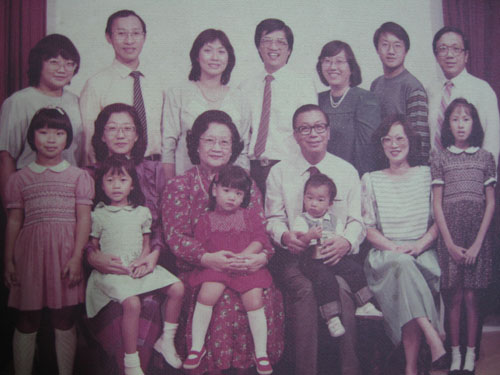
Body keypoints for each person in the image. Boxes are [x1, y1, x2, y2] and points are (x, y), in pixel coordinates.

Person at [162, 110, 284, 375]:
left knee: (261, 293)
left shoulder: (246, 183)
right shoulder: (180, 185)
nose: (217, 148)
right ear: (196, 144)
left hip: (246, 266)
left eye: (224, 142)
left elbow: (261, 233)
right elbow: (176, 237)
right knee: (221, 299)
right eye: (209, 141)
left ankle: (254, 364)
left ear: (233, 148)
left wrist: (260, 257)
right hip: (200, 268)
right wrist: (208, 258)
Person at [266, 104, 365, 375]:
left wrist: (346, 241)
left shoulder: (346, 171)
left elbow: (358, 220)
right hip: (294, 258)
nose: (313, 133)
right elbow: (272, 218)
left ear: (328, 132)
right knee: (307, 292)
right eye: (304, 128)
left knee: (344, 292)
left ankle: (349, 370)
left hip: (335, 257)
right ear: (296, 135)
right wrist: (285, 236)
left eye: (319, 126)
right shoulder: (280, 172)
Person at [3, 107, 93, 375]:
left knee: (64, 317)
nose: (51, 139)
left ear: (68, 138)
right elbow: (14, 221)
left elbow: (84, 220)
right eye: (43, 132)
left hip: (66, 255)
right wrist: (8, 260)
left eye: (59, 132)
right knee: (27, 318)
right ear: (32, 137)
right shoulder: (19, 178)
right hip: (29, 256)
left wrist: (77, 257)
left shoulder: (79, 177)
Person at [85, 103, 172, 373]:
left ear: (137, 136)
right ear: (101, 135)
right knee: (120, 309)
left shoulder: (154, 171)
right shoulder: (89, 173)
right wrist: (93, 256)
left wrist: (152, 255)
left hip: (146, 263)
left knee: (148, 304)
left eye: (127, 129)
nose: (120, 135)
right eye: (112, 128)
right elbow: (84, 226)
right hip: (108, 267)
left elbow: (160, 225)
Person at [361, 115, 446, 375]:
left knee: (407, 274)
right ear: (381, 144)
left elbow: (438, 221)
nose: (394, 144)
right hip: (386, 256)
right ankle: (434, 337)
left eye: (400, 138)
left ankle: (410, 368)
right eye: (388, 139)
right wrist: (393, 248)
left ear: (410, 141)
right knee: (402, 265)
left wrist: (420, 245)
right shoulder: (371, 179)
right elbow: (368, 228)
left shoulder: (427, 174)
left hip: (422, 253)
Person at [184, 165, 273, 375]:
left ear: (244, 197)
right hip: (220, 267)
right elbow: (201, 246)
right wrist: (217, 259)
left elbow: (260, 238)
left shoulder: (249, 215)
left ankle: (261, 353)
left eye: (238, 193)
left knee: (254, 298)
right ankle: (197, 347)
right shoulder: (206, 219)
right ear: (214, 190)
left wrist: (246, 255)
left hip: (245, 267)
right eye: (226, 190)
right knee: (207, 293)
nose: (231, 197)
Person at [431, 98, 496, 375]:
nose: (460, 124)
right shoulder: (440, 157)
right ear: (448, 125)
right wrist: (448, 243)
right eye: (455, 119)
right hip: (451, 238)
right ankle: (455, 354)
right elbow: (437, 204)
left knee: (472, 297)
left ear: (474, 123)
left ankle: (471, 353)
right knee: (454, 298)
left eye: (466, 118)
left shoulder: (485, 158)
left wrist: (478, 243)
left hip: (477, 237)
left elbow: (491, 203)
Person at [291, 173, 382, 338]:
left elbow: (339, 237)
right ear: (303, 198)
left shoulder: (334, 220)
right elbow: (300, 242)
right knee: (326, 280)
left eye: (320, 200)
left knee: (354, 269)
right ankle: (332, 318)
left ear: (330, 204)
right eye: (309, 198)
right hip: (311, 260)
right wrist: (309, 235)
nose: (313, 203)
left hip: (331, 255)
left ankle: (364, 303)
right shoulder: (302, 219)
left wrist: (337, 242)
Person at [0, 34, 83, 205]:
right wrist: (11, 205)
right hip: (30, 189)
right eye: (54, 62)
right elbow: (6, 157)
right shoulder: (19, 101)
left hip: (69, 189)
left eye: (69, 64)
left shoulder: (76, 101)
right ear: (39, 63)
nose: (62, 69)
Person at [239, 18, 317, 195]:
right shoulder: (245, 87)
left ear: (289, 50)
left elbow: (309, 132)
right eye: (266, 41)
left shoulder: (303, 84)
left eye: (280, 42)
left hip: (287, 167)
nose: (273, 47)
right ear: (259, 47)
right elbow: (242, 134)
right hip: (252, 169)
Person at [162, 29, 251, 179]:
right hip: (186, 182)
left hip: (228, 187)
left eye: (221, 52)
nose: (215, 57)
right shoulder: (178, 93)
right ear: (196, 56)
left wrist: (242, 188)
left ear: (229, 58)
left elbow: (243, 150)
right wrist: (170, 185)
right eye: (208, 51)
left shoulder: (240, 97)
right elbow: (168, 145)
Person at [80, 9, 164, 165]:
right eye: (121, 33)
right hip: (113, 172)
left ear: (144, 37)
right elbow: (89, 140)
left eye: (135, 33)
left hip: (153, 168)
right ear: (108, 37)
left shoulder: (157, 82)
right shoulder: (96, 84)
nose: (129, 41)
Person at [428, 26, 499, 165]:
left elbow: (492, 142)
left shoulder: (482, 90)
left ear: (466, 55)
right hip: (434, 175)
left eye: (456, 49)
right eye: (443, 49)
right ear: (436, 56)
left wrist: (487, 180)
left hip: (469, 175)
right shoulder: (430, 90)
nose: (449, 55)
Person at [316, 40, 381, 175]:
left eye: (339, 61)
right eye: (327, 61)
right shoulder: (317, 99)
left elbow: (367, 150)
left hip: (352, 177)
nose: (332, 67)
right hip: (320, 178)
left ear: (351, 67)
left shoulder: (365, 99)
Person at [370, 22, 430, 163]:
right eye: (385, 45)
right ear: (377, 49)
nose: (391, 51)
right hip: (382, 165)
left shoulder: (413, 87)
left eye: (397, 45)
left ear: (406, 50)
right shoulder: (375, 84)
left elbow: (420, 140)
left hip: (405, 168)